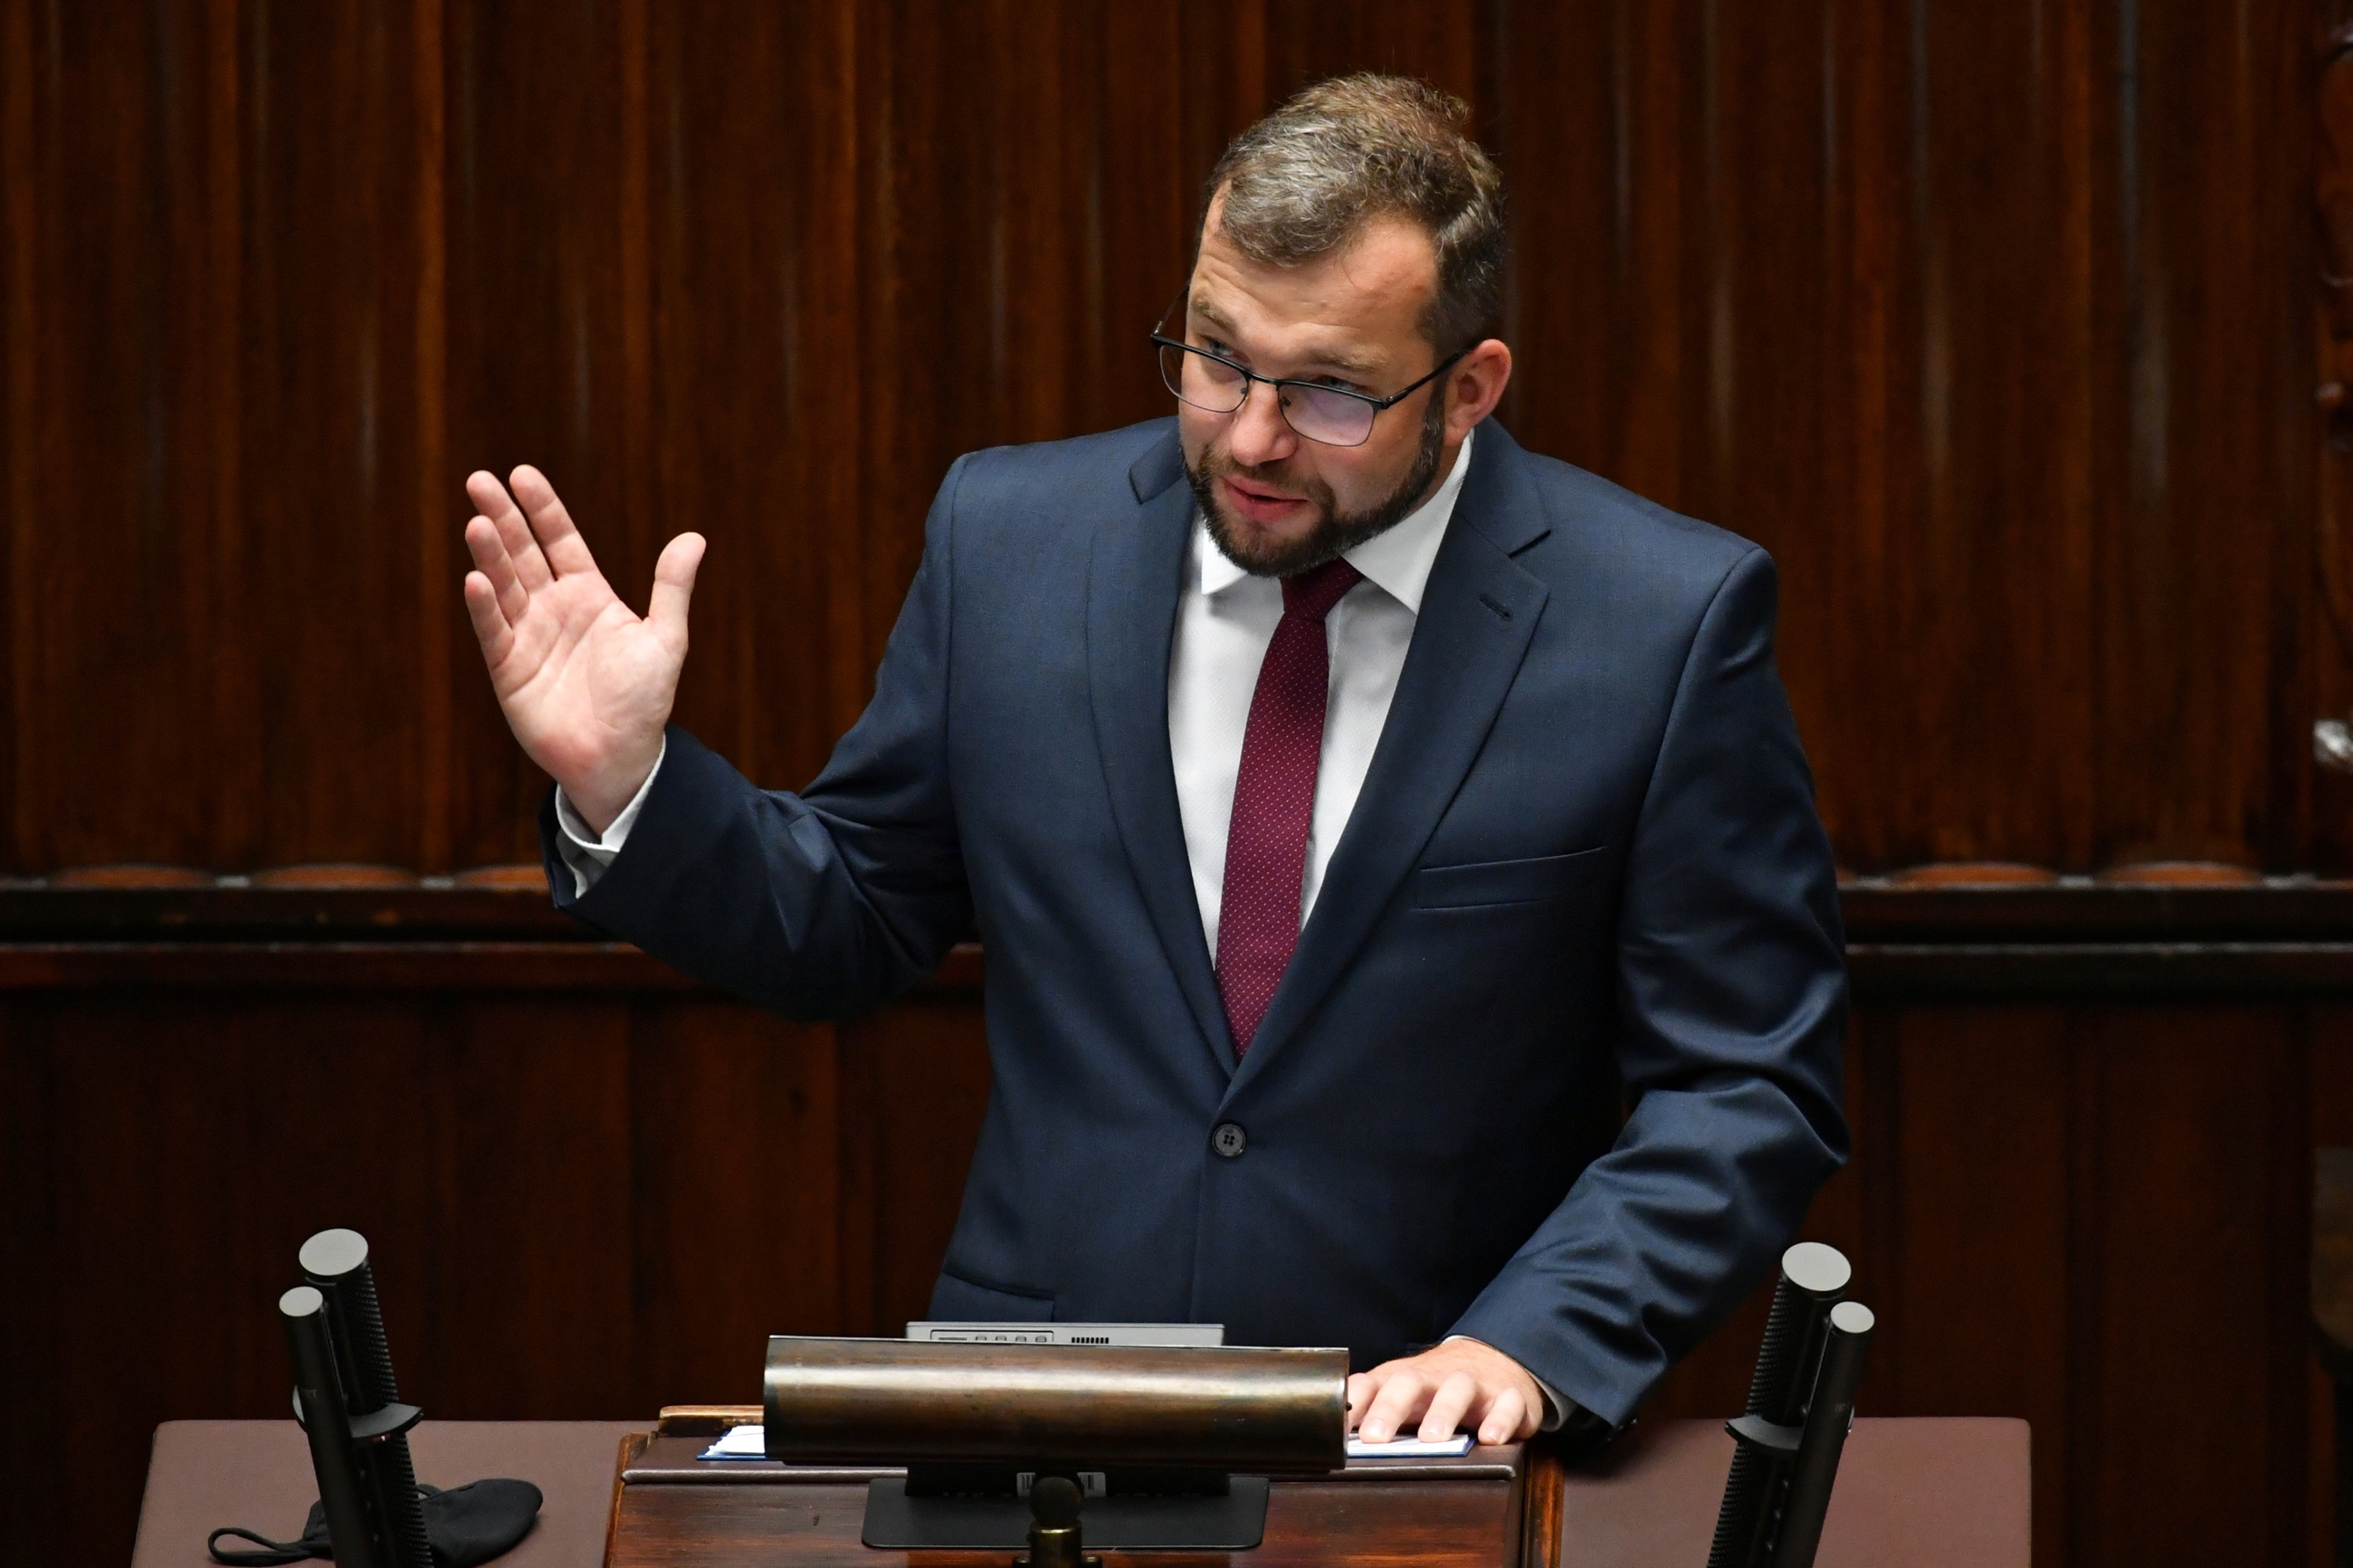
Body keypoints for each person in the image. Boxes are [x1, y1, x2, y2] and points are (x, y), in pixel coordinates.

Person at [459, 74, 1847, 1451]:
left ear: (1469, 386)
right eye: (1216, 356)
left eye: (1328, 397)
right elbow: (853, 913)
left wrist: (1530, 1339)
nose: (1248, 436)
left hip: (1423, 1434)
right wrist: (624, 784)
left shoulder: (1659, 623)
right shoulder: (1011, 541)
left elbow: (1744, 1079)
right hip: (1046, 1427)